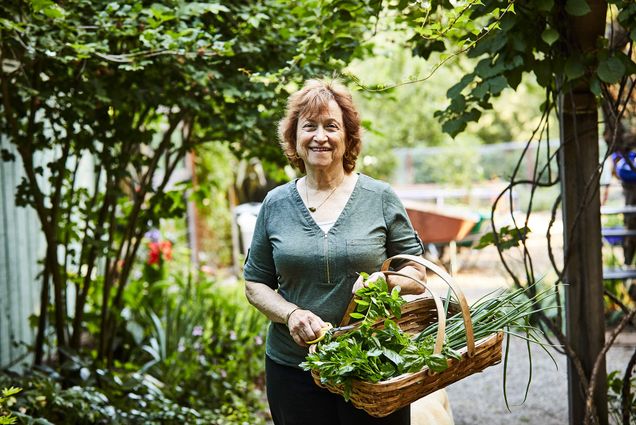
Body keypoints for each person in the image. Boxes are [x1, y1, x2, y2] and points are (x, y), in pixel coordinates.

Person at [243, 79, 427, 425]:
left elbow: (417, 274)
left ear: (348, 137)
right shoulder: (276, 204)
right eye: (309, 126)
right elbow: (255, 283)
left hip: (374, 365)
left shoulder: (380, 197)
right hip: (295, 368)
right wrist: (291, 314)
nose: (320, 136)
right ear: (295, 137)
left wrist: (385, 283)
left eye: (331, 126)